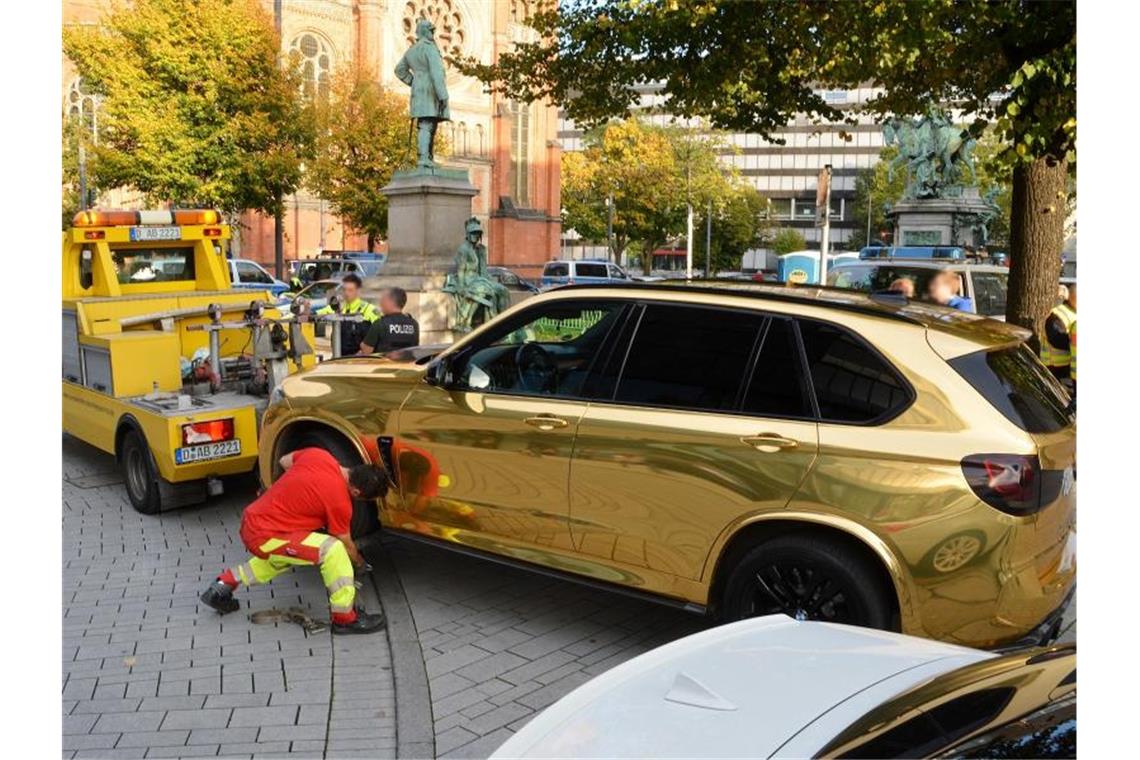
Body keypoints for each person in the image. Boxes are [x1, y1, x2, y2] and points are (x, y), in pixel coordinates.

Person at [199, 448, 389, 634]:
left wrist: (298, 490)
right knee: (333, 550)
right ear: (356, 492)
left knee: (282, 558)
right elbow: (345, 542)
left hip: (255, 521)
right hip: (265, 534)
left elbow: (284, 460)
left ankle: (222, 586)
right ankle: (345, 619)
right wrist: (360, 564)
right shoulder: (340, 501)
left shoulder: (319, 455)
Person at [395, 19, 450, 168]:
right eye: (431, 30)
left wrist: (413, 82)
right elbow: (436, 73)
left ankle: (427, 157)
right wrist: (443, 95)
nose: (433, 33)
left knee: (427, 124)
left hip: (418, 91)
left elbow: (399, 70)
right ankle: (424, 158)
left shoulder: (411, 50)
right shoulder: (430, 49)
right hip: (431, 90)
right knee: (427, 124)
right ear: (425, 31)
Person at [316, 273, 378, 355]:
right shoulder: (338, 308)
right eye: (344, 290)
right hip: (341, 359)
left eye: (350, 290)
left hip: (363, 360)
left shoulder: (369, 310)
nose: (346, 293)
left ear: (358, 291)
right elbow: (316, 314)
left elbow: (381, 335)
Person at [359, 287, 420, 355]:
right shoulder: (414, 324)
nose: (380, 303)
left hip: (383, 365)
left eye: (383, 300)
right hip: (407, 365)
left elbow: (366, 352)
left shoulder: (380, 324)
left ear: (390, 302)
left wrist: (362, 345)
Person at [1042, 278, 1076, 392]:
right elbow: (1056, 339)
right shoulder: (1058, 315)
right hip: (1057, 369)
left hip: (1068, 368)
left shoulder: (1073, 312)